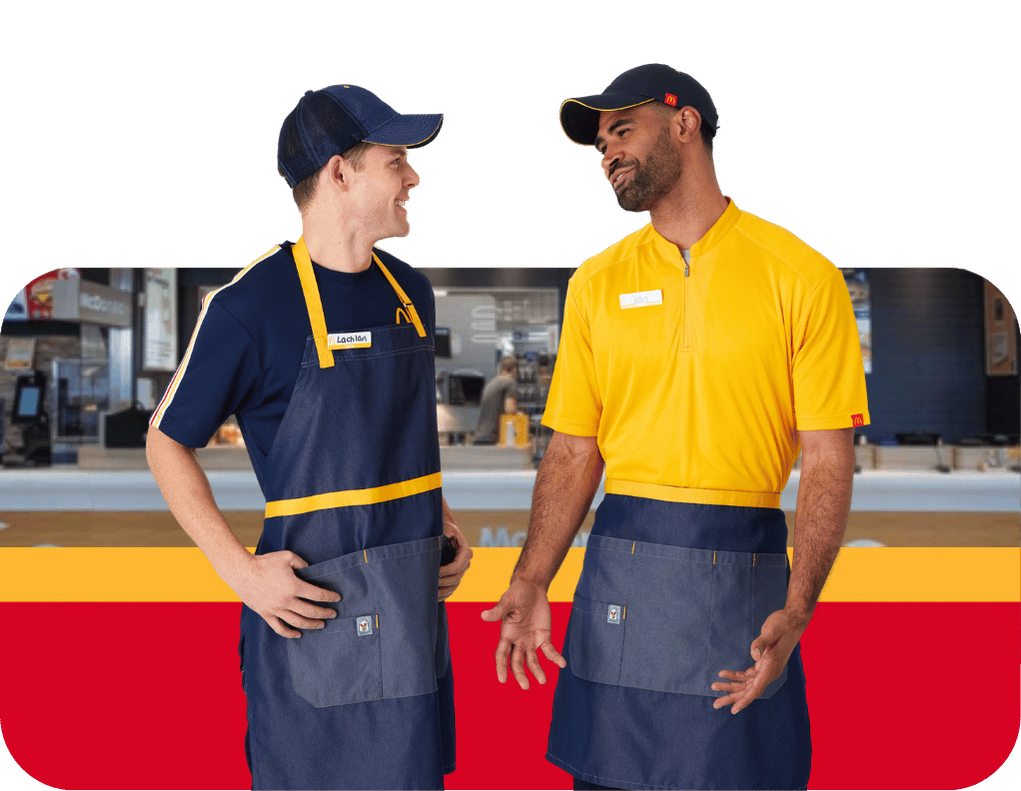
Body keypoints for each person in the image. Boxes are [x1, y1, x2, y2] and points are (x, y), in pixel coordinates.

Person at [482, 63, 869, 791]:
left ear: (684, 124)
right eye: (599, 144)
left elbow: (825, 458)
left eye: (621, 130)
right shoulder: (595, 281)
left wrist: (798, 610)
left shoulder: (800, 275)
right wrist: (531, 577)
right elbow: (572, 450)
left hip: (741, 586)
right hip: (618, 578)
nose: (607, 154)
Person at [146, 83, 472, 791]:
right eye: (397, 159)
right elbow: (165, 440)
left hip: (411, 620)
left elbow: (399, 436)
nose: (413, 176)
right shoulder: (247, 306)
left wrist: (442, 525)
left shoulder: (410, 295)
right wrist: (238, 571)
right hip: (314, 624)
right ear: (338, 173)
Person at [473, 356, 519, 444]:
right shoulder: (510, 382)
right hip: (492, 437)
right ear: (514, 370)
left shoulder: (491, 382)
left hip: (480, 436)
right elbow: (510, 410)